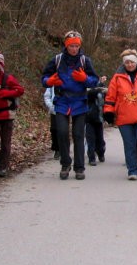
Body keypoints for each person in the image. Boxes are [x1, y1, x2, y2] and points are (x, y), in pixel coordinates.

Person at [41, 30, 99, 180]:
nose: (74, 49)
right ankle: (65, 164)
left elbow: (95, 80)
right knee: (61, 132)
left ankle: (79, 168)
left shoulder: (85, 61)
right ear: (66, 46)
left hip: (80, 101)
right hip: (62, 100)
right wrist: (49, 82)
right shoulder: (57, 60)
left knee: (79, 134)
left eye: (76, 46)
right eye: (71, 46)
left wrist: (85, 78)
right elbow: (44, 77)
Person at [103, 49, 137, 180]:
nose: (129, 65)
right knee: (129, 144)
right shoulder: (117, 78)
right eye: (127, 62)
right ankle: (133, 170)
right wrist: (108, 111)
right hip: (124, 117)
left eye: (132, 62)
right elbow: (110, 96)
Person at [86, 75, 108, 166]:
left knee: (100, 139)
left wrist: (102, 85)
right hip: (89, 118)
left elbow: (106, 101)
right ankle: (91, 158)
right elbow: (91, 94)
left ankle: (101, 153)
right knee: (90, 139)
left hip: (99, 118)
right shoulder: (88, 91)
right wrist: (100, 88)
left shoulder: (101, 91)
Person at [43, 86, 60, 159]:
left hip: (64, 110)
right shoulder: (52, 82)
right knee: (54, 129)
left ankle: (63, 149)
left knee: (62, 130)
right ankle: (57, 149)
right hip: (54, 110)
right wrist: (50, 106)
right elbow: (47, 96)